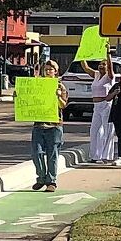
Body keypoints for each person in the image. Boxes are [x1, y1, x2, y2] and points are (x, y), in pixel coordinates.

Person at [30, 59, 70, 193]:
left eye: (50, 69)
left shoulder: (60, 86)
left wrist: (58, 96)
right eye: (46, 69)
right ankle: (41, 178)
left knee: (52, 154)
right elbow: (29, 100)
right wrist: (18, 96)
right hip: (39, 124)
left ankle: (51, 181)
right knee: (37, 153)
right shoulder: (37, 85)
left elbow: (63, 105)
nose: (48, 72)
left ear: (55, 71)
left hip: (54, 125)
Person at [85, 58, 117, 164]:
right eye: (100, 64)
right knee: (94, 130)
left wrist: (108, 53)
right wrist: (82, 54)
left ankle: (106, 156)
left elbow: (111, 68)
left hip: (106, 105)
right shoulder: (96, 75)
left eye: (104, 64)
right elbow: (86, 67)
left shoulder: (110, 77)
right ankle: (95, 156)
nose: (101, 66)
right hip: (96, 106)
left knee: (106, 130)